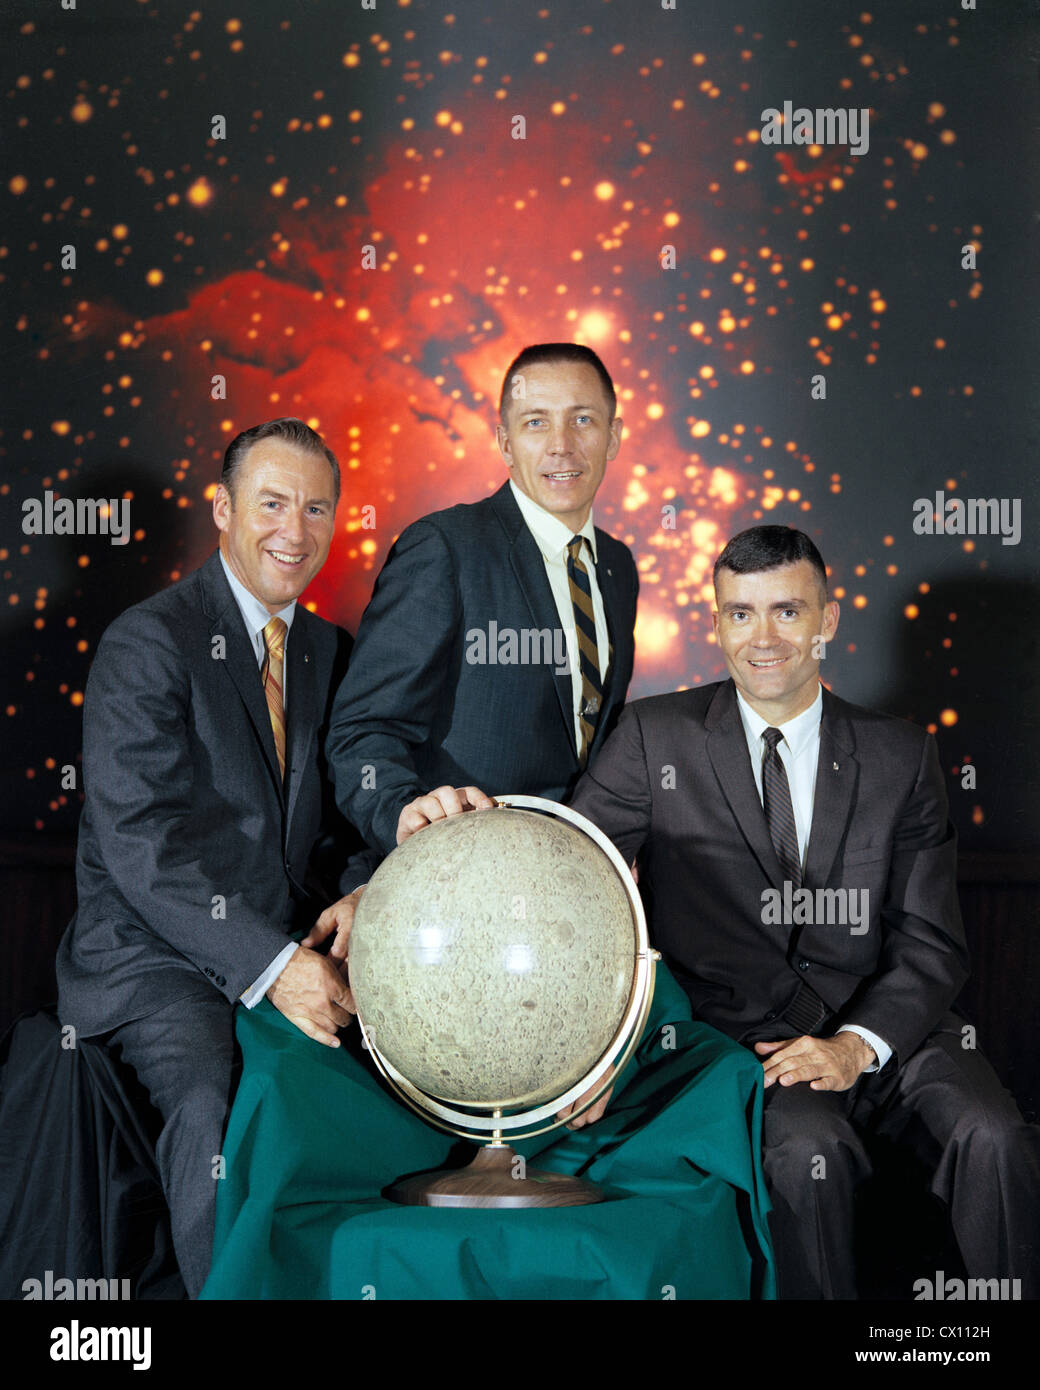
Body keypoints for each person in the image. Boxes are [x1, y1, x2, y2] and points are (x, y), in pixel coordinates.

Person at [565, 523, 1040, 1298]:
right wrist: (587, 1047)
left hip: (894, 1030)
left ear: (828, 618)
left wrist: (858, 1046)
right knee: (804, 1157)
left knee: (994, 1135)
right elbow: (573, 886)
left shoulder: (900, 753)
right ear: (715, 621)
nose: (763, 637)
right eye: (739, 613)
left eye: (787, 611)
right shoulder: (655, 738)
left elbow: (932, 943)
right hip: (749, 1044)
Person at [55, 418, 374, 1298]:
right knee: (219, 1105)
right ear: (223, 510)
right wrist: (274, 969)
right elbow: (140, 845)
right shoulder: (148, 642)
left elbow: (349, 818)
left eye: (316, 508)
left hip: (289, 942)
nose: (294, 530)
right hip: (153, 957)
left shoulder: (329, 652)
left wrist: (357, 895)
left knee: (393, 1089)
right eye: (272, 503)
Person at [325, 342, 639, 858]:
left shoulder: (618, 567)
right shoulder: (445, 548)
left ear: (614, 436)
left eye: (582, 419)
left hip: (569, 880)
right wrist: (402, 815)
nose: (562, 445)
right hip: (455, 873)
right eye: (536, 422)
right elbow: (364, 728)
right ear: (505, 442)